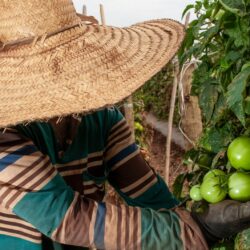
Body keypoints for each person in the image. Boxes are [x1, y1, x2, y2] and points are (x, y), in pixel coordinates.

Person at [0, 1, 250, 250]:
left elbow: (150, 196)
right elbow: (66, 218)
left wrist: (191, 221)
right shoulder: (4, 137)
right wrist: (198, 229)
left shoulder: (102, 122)